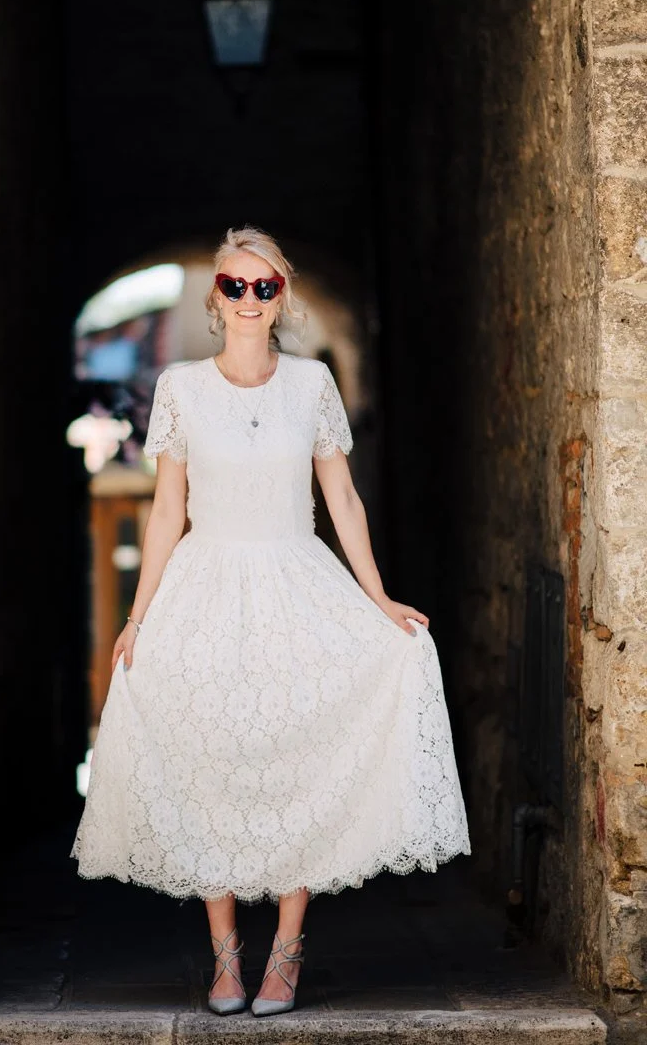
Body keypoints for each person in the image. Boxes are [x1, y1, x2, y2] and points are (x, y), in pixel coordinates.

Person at [70, 225, 471, 1018]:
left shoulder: (313, 384)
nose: (249, 300)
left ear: (281, 297)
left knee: (300, 754)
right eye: (233, 287)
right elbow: (167, 510)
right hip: (206, 583)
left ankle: (286, 954)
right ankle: (225, 959)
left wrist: (379, 598)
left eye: (264, 287)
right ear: (216, 300)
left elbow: (343, 499)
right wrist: (139, 616)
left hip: (298, 577)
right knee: (210, 757)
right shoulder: (180, 386)